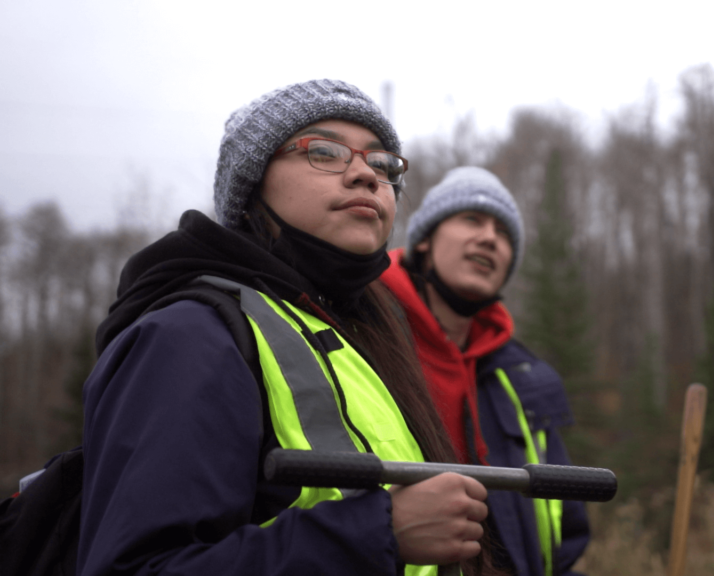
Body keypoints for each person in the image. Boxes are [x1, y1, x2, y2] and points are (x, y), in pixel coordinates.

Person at [78, 80, 502, 576]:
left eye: (383, 164)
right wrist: (376, 533)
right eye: (325, 151)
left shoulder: (364, 339)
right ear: (252, 182)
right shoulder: (188, 336)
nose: (366, 174)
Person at [380, 167, 590, 576]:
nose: (490, 238)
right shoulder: (358, 337)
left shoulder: (524, 377)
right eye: (472, 219)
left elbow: (566, 537)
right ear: (424, 239)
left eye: (504, 233)